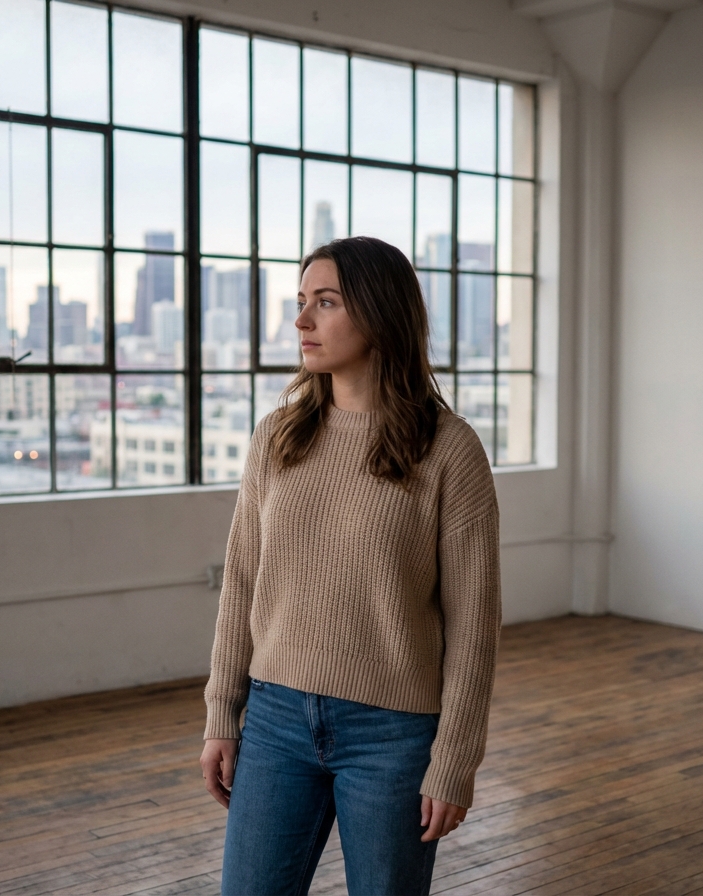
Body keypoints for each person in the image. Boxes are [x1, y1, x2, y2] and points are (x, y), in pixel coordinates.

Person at [199, 236, 501, 895]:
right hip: (275, 720)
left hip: (392, 733)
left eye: (326, 302)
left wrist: (453, 761)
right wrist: (223, 713)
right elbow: (242, 582)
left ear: (381, 312)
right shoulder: (276, 435)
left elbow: (474, 626)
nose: (302, 321)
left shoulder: (449, 450)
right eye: (301, 302)